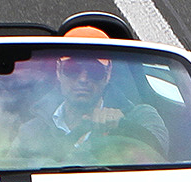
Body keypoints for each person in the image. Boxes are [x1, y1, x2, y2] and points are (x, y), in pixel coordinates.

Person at [14, 47, 170, 166]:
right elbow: (6, 169)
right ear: (58, 70)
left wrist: (123, 127)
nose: (83, 79)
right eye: (72, 69)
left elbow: (161, 153)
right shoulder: (32, 130)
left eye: (94, 70)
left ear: (108, 74)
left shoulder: (141, 116)